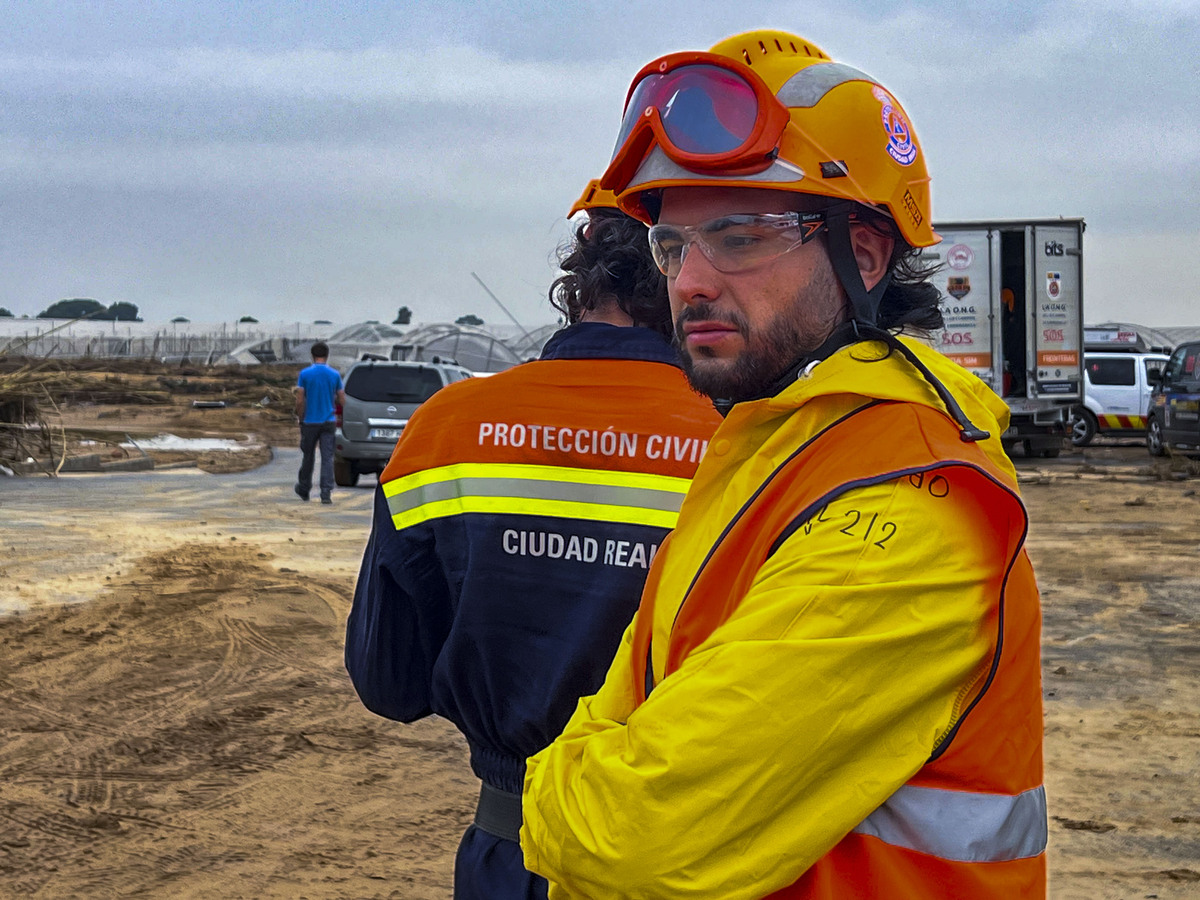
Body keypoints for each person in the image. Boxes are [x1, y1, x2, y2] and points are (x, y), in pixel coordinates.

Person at [522, 30, 1046, 899]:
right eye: (673, 247)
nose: (687, 281)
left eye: (736, 236)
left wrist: (542, 791)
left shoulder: (914, 507)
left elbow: (636, 836)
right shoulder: (773, 448)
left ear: (864, 254)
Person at [343, 182, 722, 899]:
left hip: (512, 854)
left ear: (579, 279)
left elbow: (388, 681)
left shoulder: (448, 428)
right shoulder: (746, 447)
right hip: (696, 865)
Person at [294, 340, 344, 504]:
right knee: (327, 457)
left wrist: (300, 417)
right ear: (327, 355)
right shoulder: (334, 375)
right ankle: (325, 492)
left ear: (312, 355)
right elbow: (342, 398)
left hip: (310, 421)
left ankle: (304, 488)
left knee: (308, 456)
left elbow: (300, 400)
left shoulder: (305, 374)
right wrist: (337, 410)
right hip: (328, 421)